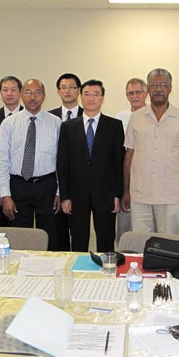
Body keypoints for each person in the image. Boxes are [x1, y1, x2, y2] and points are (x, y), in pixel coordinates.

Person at [122, 68, 179, 235]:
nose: (158, 89)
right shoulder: (136, 118)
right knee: (140, 242)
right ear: (148, 89)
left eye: (163, 85)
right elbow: (129, 154)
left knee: (169, 242)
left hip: (171, 195)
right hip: (140, 194)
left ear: (170, 89)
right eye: (154, 85)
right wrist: (126, 190)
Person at [57, 79, 124, 253]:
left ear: (102, 98)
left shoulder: (114, 126)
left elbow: (119, 162)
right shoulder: (68, 127)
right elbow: (62, 164)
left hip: (106, 193)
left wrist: (117, 194)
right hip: (76, 194)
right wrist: (65, 196)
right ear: (81, 97)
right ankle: (79, 267)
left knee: (106, 238)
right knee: (78, 239)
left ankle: (106, 268)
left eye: (96, 94)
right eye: (87, 94)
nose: (91, 98)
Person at [0, 79, 61, 249]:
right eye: (28, 92)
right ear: (22, 95)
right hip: (18, 185)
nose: (32, 97)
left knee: (49, 235)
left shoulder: (56, 123)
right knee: (20, 237)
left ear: (44, 96)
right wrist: (5, 195)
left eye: (37, 93)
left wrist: (59, 192)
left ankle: (48, 265)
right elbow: (2, 161)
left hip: (46, 185)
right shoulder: (9, 123)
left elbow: (60, 161)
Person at [50, 73, 83, 251]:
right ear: (58, 91)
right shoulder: (49, 117)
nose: (67, 91)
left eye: (72, 87)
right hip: (54, 184)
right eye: (63, 87)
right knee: (58, 234)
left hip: (80, 186)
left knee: (79, 235)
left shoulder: (89, 115)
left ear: (79, 91)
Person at [115, 77, 148, 245]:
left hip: (148, 180)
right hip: (126, 178)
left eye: (138, 92)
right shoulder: (119, 118)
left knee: (148, 231)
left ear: (146, 94)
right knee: (125, 230)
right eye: (130, 93)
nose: (134, 96)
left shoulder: (154, 115)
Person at [0, 76, 23, 227]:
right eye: (5, 90)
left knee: (22, 227)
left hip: (23, 183)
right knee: (4, 226)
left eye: (13, 90)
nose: (9, 93)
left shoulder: (30, 116)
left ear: (20, 92)